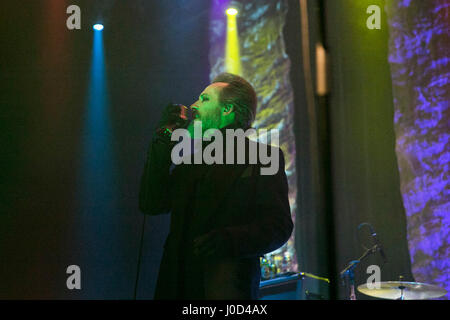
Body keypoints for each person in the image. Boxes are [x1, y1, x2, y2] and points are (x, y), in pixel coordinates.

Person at [139, 73, 293, 299]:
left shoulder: (262, 156)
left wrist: (229, 240)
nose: (193, 106)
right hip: (175, 287)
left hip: (224, 288)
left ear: (227, 109)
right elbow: (151, 204)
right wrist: (163, 140)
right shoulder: (190, 162)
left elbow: (278, 226)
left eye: (204, 99)